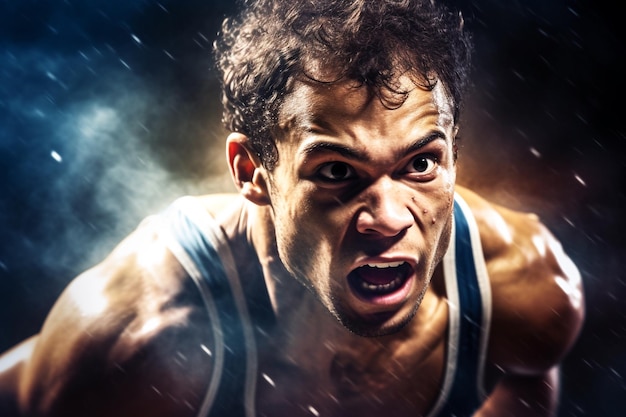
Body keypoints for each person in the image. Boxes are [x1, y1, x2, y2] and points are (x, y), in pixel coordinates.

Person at [0, 0, 584, 416]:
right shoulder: (134, 338)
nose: (388, 218)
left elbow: (531, 378)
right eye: (336, 172)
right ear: (253, 172)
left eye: (419, 164)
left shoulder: (525, 286)